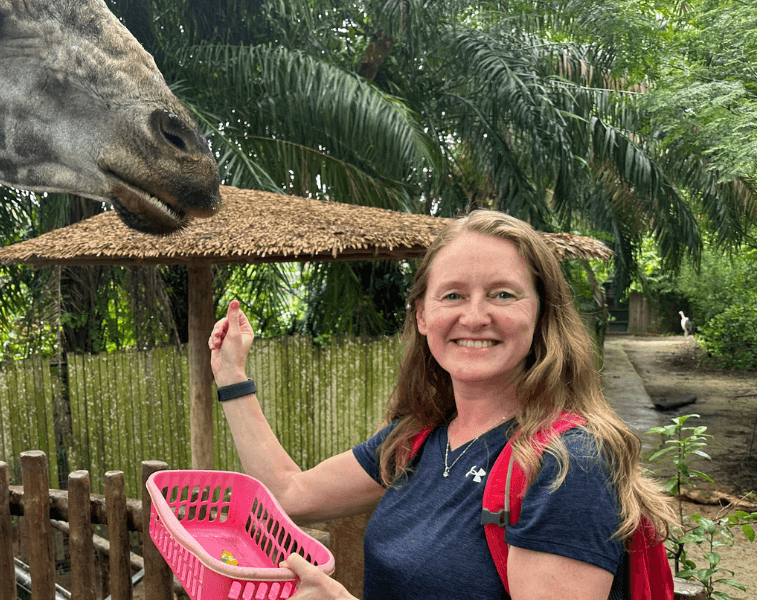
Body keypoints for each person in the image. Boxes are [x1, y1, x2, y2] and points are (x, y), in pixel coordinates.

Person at [208, 210, 676, 600]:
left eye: (503, 294)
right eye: (453, 295)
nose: (474, 316)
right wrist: (231, 378)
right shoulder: (417, 439)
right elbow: (291, 495)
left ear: (541, 312)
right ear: (423, 316)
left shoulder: (567, 462)